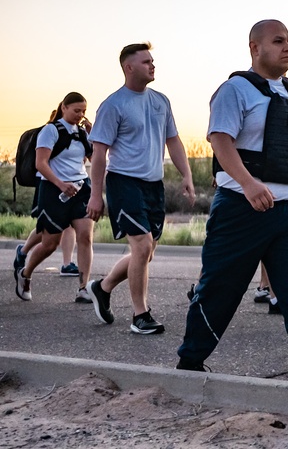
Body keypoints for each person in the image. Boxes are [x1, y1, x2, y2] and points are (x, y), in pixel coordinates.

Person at [176, 20, 288, 387]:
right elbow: (220, 141)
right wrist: (248, 184)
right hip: (241, 208)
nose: (287, 47)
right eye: (278, 41)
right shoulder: (235, 90)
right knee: (219, 288)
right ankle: (190, 364)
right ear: (255, 48)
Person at [85, 43, 195, 335]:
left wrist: (187, 175)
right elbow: (99, 154)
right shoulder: (113, 105)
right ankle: (140, 315)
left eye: (153, 60)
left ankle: (103, 287)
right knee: (142, 246)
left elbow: (173, 140)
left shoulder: (161, 101)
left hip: (153, 185)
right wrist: (96, 195)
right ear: (128, 67)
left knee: (145, 253)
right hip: (124, 182)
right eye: (146, 61)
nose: (152, 65)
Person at [14, 93, 95, 303]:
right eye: (76, 110)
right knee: (50, 243)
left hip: (80, 187)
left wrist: (93, 136)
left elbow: (94, 159)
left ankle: (84, 287)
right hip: (53, 189)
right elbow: (41, 163)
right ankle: (25, 274)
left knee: (85, 236)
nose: (80, 115)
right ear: (64, 107)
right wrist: (60, 184)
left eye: (83, 111)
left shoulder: (82, 133)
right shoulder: (50, 131)